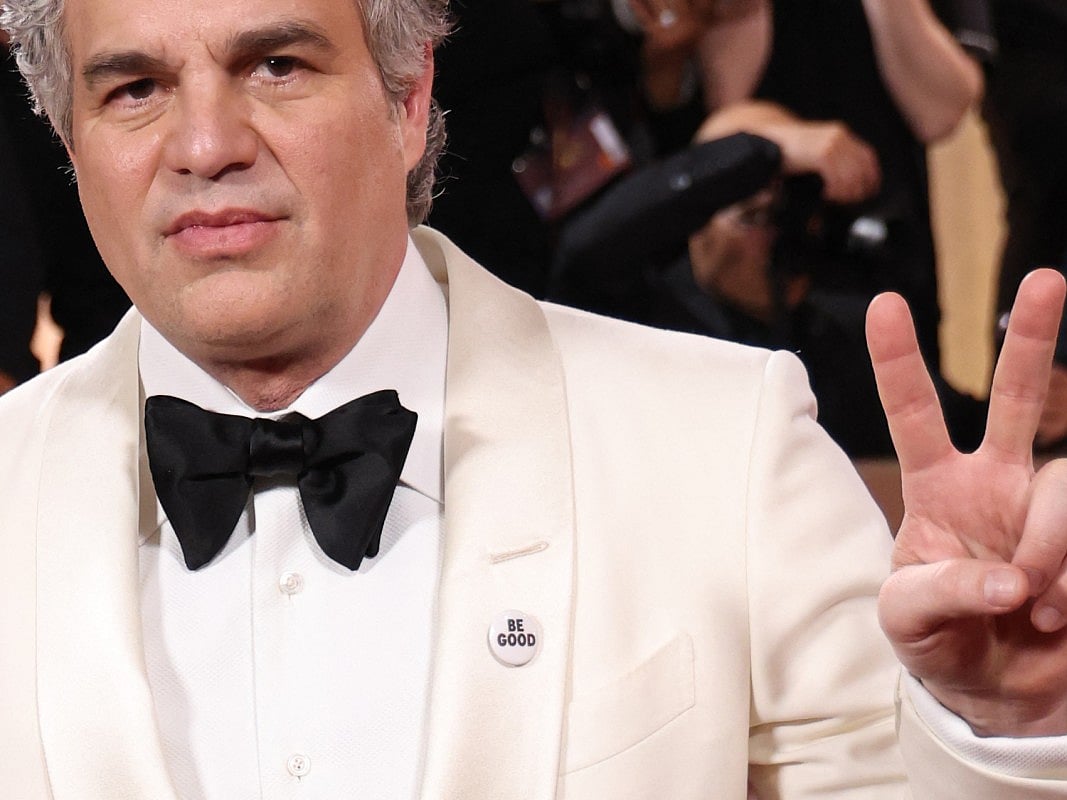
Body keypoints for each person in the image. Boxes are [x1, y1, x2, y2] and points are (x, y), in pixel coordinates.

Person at [1, 1, 1067, 799]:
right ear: (68, 138)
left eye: (275, 65)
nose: (205, 146)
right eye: (133, 90)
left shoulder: (722, 446)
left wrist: (998, 731)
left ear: (408, 96)